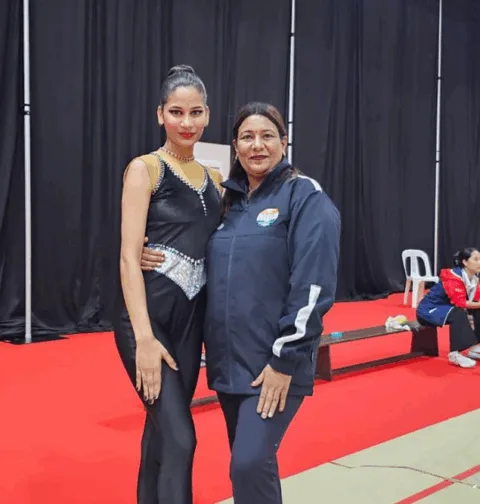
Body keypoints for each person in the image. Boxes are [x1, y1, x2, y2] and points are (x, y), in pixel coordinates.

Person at [141, 102, 341, 503]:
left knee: (248, 463)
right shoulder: (228, 203)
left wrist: (284, 360)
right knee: (252, 466)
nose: (257, 145)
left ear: (284, 142)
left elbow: (314, 285)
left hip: (274, 365)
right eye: (247, 137)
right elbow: (197, 252)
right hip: (229, 367)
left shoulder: (304, 195)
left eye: (267, 136)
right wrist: (154, 254)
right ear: (235, 146)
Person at [114, 64, 222, 504]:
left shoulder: (215, 179)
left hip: (189, 327)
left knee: (160, 436)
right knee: (181, 439)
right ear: (161, 114)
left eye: (195, 112)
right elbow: (128, 255)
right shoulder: (145, 169)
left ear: (207, 114)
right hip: (147, 323)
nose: (186, 122)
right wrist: (143, 338)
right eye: (176, 112)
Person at [416, 248, 480, 368]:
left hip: (447, 308)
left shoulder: (474, 278)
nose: (479, 262)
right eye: (476, 259)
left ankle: (475, 347)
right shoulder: (453, 276)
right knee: (458, 312)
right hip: (428, 310)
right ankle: (454, 354)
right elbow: (460, 303)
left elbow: (476, 298)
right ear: (465, 262)